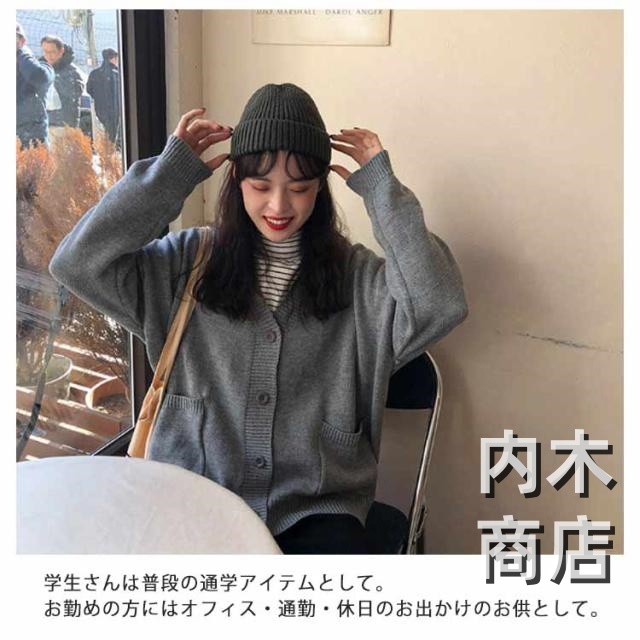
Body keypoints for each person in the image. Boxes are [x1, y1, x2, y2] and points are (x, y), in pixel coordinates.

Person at [49, 83, 468, 554]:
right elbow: (77, 263)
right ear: (237, 180)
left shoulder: (358, 281)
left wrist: (382, 191)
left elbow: (440, 303)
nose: (279, 207)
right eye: (261, 186)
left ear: (321, 187)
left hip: (316, 509)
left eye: (300, 188)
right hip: (194, 494)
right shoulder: (186, 264)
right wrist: (167, 177)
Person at [16, 22, 54, 149]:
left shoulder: (42, 67)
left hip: (32, 138)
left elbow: (38, 76)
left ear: (22, 42)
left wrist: (23, 53)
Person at [39, 35, 85, 137]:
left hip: (63, 125)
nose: (49, 56)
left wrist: (56, 79)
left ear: (61, 51)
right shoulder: (41, 69)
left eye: (52, 52)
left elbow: (74, 94)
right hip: (43, 123)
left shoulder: (71, 72)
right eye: (45, 52)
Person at [86, 48, 121, 145]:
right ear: (113, 58)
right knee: (113, 134)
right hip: (115, 109)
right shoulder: (117, 73)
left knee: (106, 131)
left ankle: (106, 148)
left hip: (100, 108)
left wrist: (98, 98)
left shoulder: (94, 73)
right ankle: (110, 149)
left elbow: (89, 89)